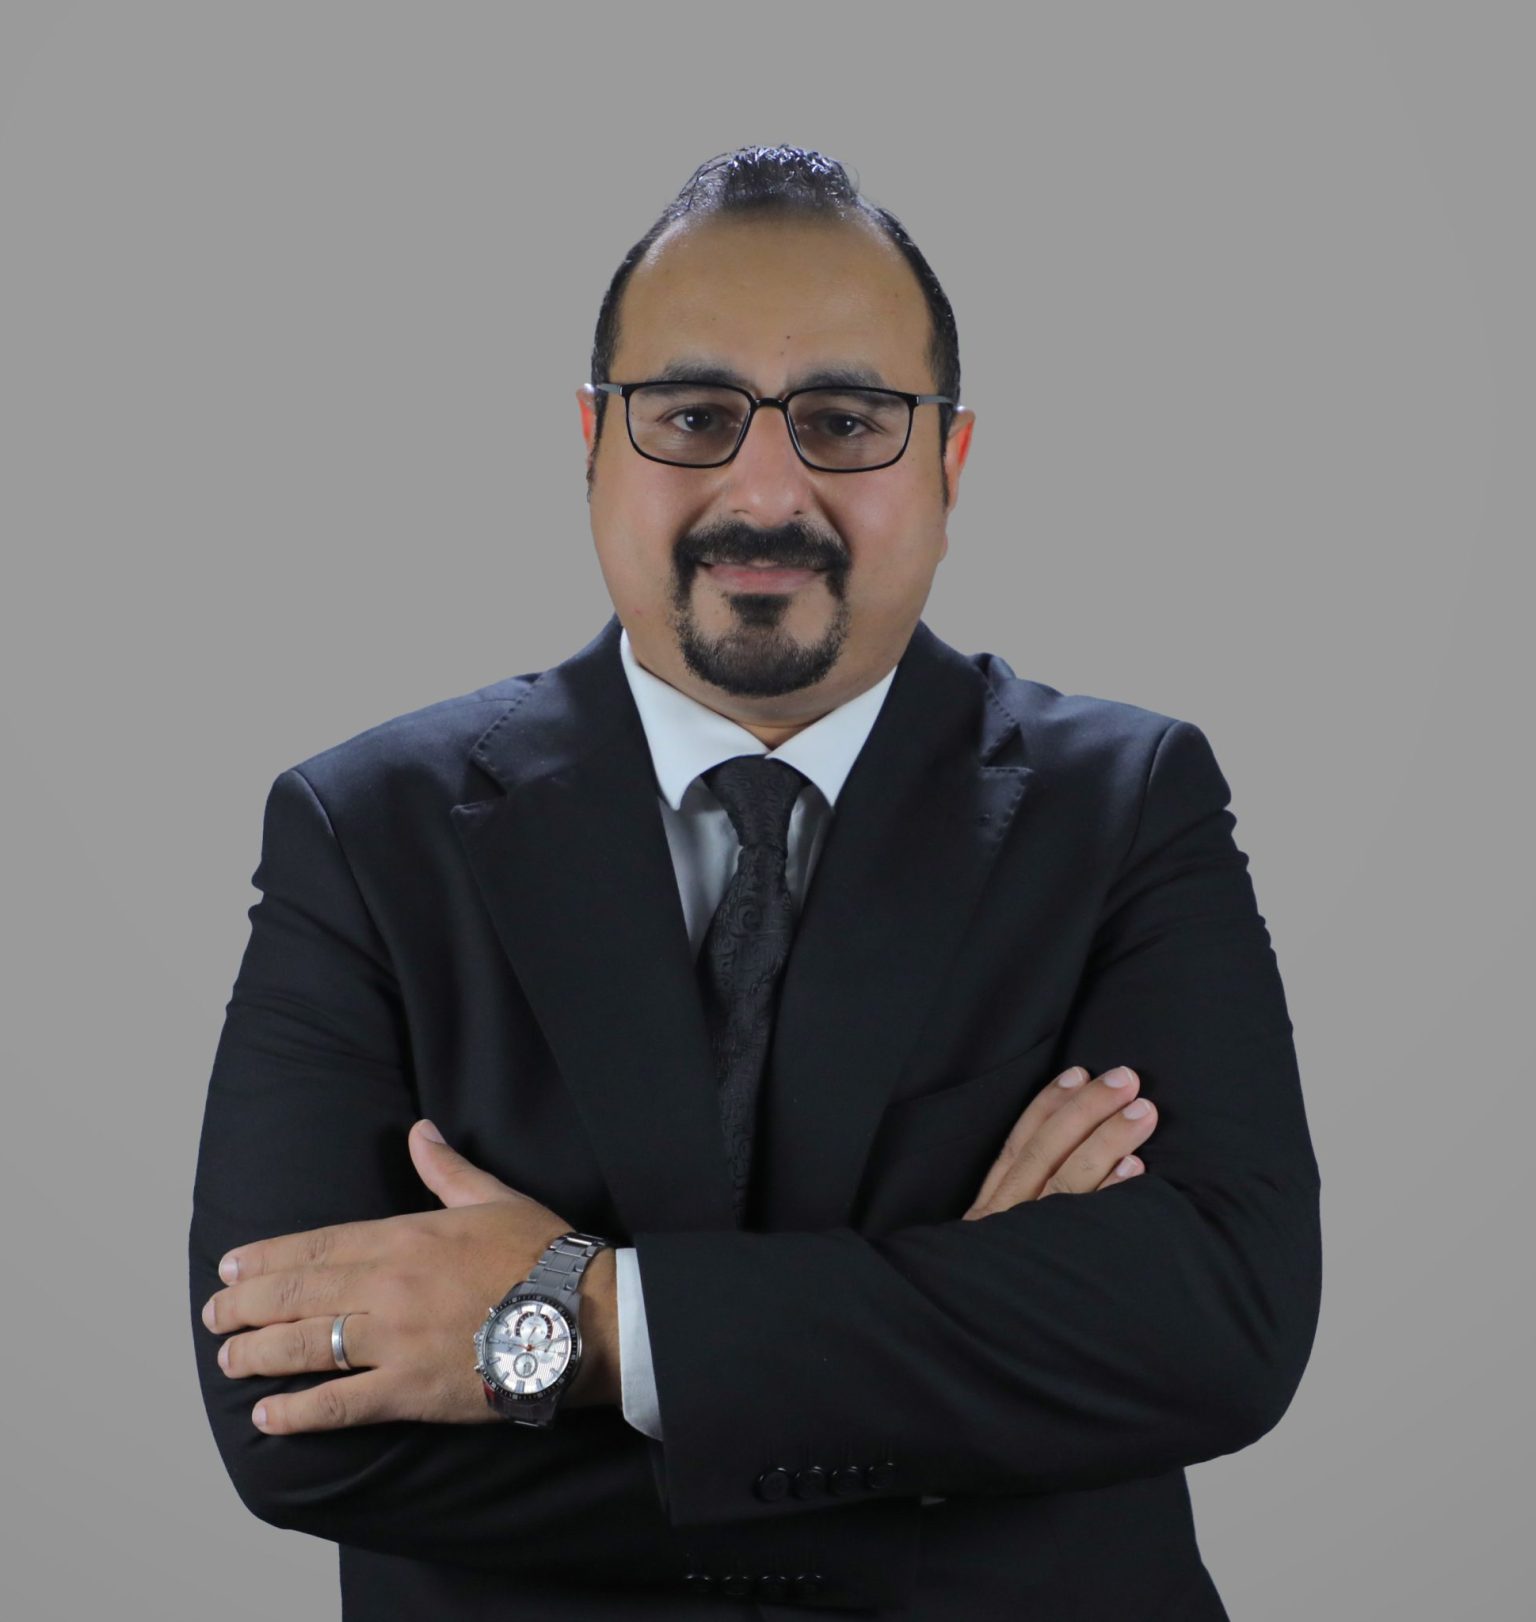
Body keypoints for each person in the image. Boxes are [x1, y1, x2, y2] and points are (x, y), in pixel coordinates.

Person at [189, 145, 1321, 1620]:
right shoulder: (363, 832)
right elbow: (289, 1416)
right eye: (692, 416)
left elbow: (1221, 1326)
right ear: (592, 443)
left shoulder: (1130, 805)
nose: (768, 489)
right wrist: (973, 1419)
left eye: (846, 421)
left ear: (949, 463)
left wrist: (592, 1317)